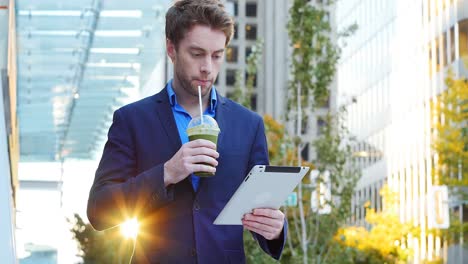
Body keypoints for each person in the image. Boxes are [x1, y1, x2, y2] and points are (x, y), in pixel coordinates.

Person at [87, 0, 287, 263]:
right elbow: (99, 210)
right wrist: (168, 172)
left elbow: (259, 208)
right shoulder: (132, 120)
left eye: (217, 55)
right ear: (171, 48)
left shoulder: (248, 125)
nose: (207, 67)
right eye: (197, 53)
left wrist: (275, 228)